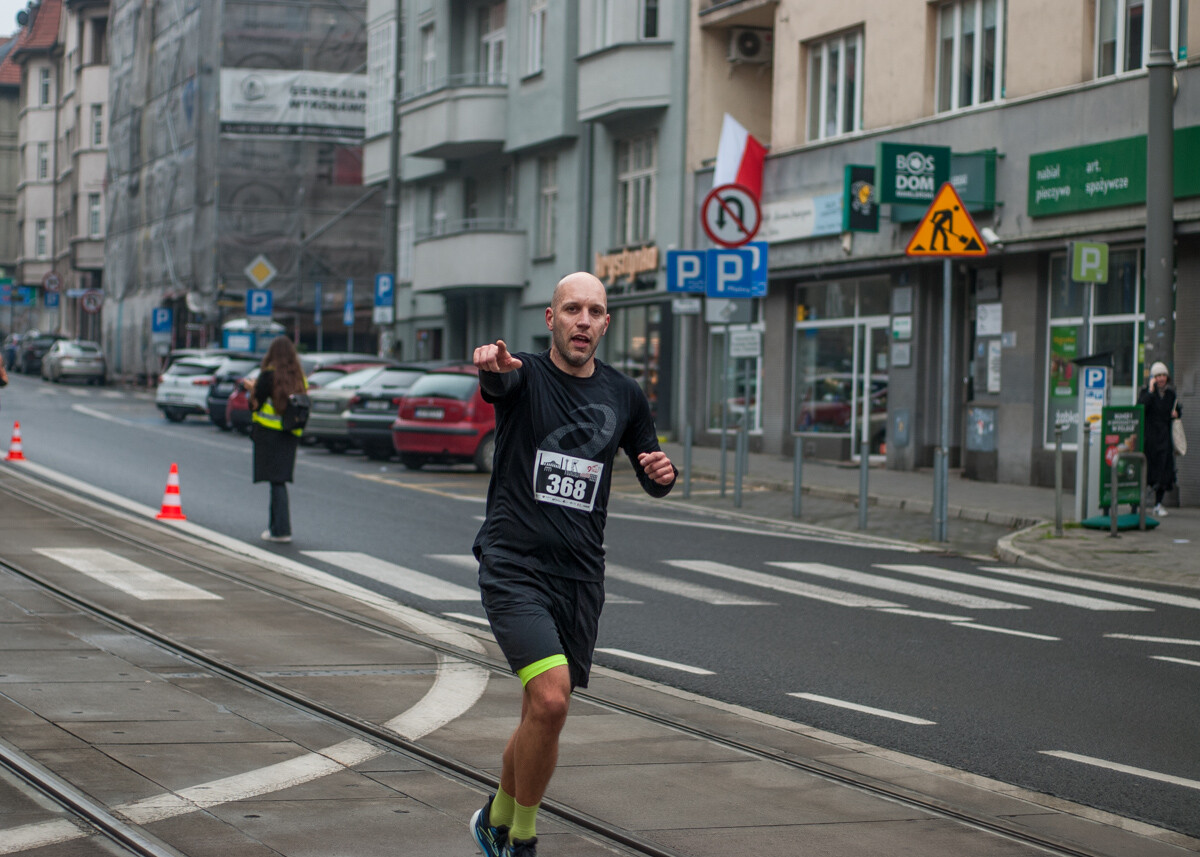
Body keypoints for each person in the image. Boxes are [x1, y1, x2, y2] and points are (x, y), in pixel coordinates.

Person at [469, 272, 677, 857]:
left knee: (544, 713)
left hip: (581, 575)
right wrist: (491, 363)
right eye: (571, 310)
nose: (583, 321)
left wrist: (664, 475)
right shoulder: (524, 376)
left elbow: (649, 465)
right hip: (514, 564)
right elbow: (496, 381)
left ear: (606, 323)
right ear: (551, 320)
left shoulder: (625, 393)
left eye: (594, 312)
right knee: (553, 697)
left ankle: (495, 818)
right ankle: (523, 841)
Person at [246, 336, 306, 543]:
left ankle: (280, 530)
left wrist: (251, 389)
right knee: (278, 481)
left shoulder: (268, 376)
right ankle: (275, 528)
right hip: (289, 435)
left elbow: (255, 404)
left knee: (276, 482)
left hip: (268, 434)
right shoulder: (299, 377)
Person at [1138, 361, 1181, 517]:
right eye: (1158, 376)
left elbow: (1177, 410)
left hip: (1164, 439)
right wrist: (1150, 391)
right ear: (1153, 378)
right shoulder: (1146, 392)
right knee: (1147, 472)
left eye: (1163, 375)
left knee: (1164, 472)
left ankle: (1158, 503)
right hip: (1150, 439)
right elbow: (1141, 407)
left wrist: (1176, 414)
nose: (1161, 378)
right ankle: (1140, 502)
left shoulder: (1170, 394)